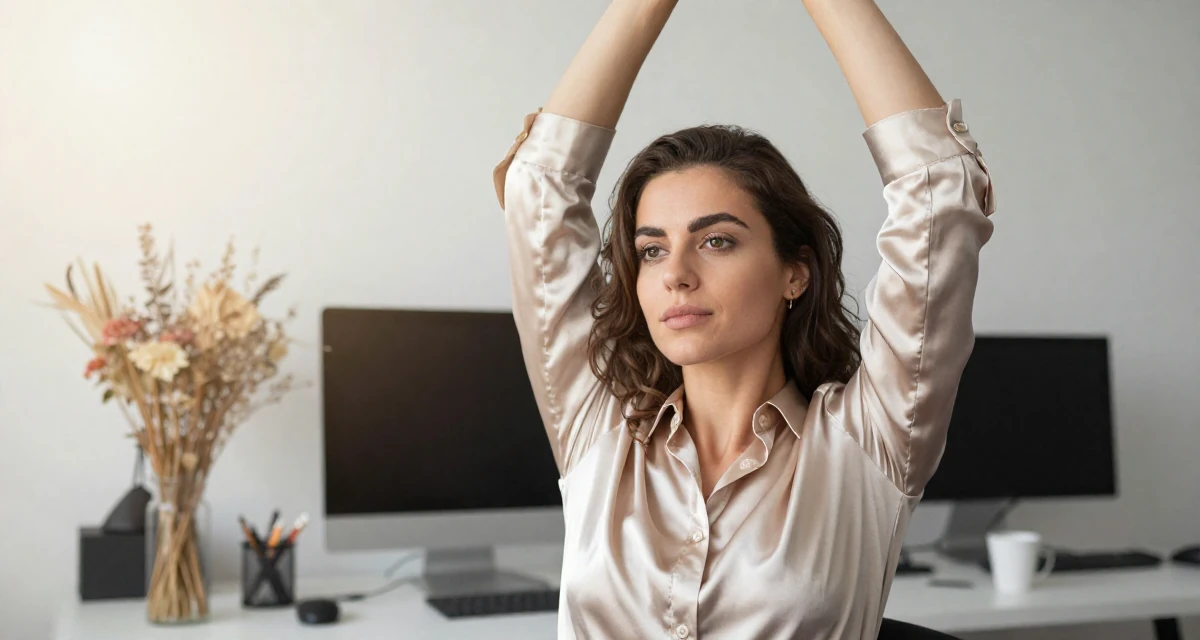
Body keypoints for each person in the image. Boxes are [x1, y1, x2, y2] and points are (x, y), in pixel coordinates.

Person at [491, 0, 995, 637]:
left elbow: (939, 195)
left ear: (795, 272)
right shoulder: (601, 434)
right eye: (651, 249)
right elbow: (538, 193)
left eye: (717, 240)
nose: (675, 271)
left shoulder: (867, 444)